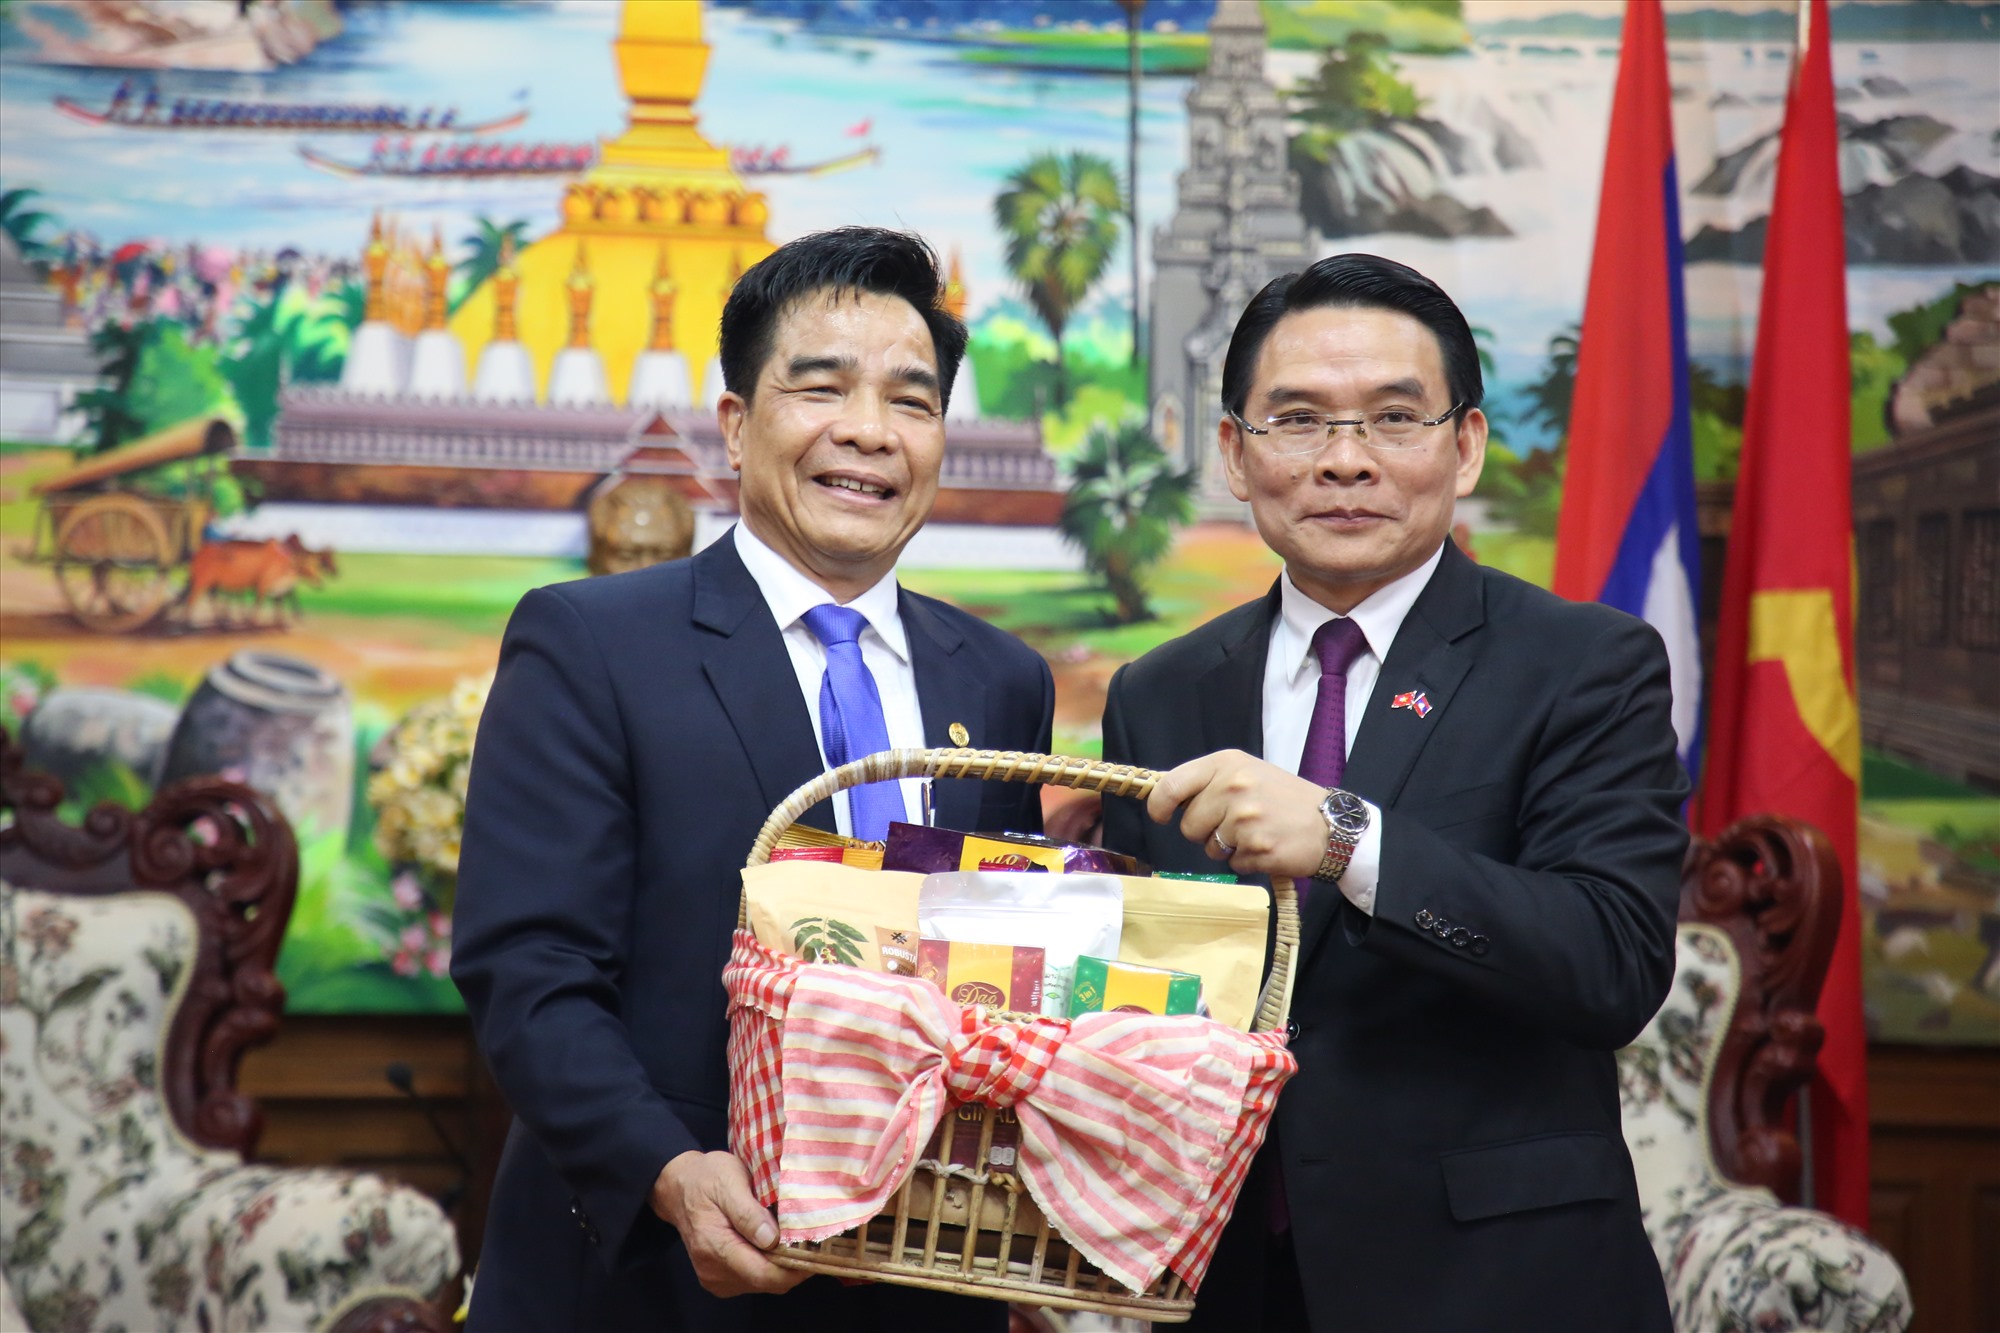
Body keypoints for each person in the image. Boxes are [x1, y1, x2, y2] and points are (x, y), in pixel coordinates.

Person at [452, 227, 1052, 1332]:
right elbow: (528, 968)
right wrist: (668, 1168)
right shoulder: (591, 642)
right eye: (820, 387)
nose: (867, 431)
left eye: (911, 401)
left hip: (918, 1288)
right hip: (653, 1278)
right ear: (736, 427)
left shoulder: (1002, 680)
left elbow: (998, 989)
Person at [1098, 253, 1687, 1332]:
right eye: (1298, 421)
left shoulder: (1582, 664)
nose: (1344, 462)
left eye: (1390, 419)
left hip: (1496, 1284)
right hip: (1225, 1285)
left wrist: (1343, 839)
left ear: (1463, 447)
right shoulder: (1159, 692)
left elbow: (1610, 963)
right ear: (1232, 452)